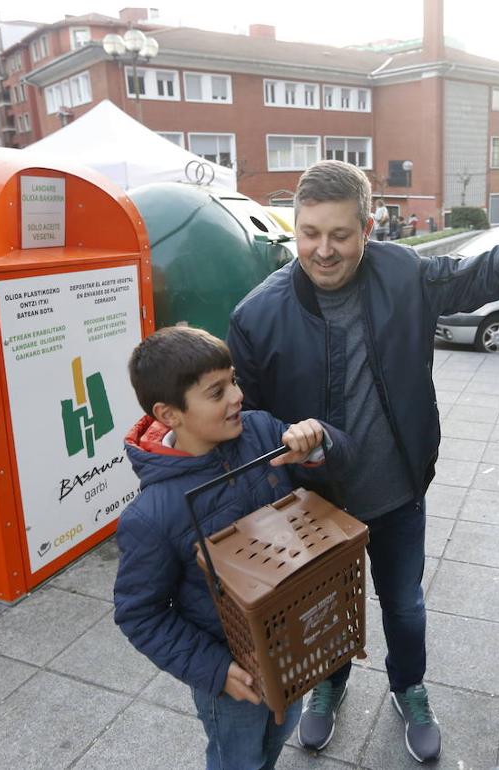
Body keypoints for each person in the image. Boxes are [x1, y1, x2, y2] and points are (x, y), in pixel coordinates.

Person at [227, 160, 499, 763]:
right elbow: (250, 423)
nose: (322, 250)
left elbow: (491, 272)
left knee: (404, 604)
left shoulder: (403, 275)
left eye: (339, 235)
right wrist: (287, 447)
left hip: (397, 491)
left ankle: (408, 686)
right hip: (315, 505)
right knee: (323, 610)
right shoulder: (256, 316)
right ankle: (330, 682)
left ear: (368, 229)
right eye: (309, 233)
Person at [113, 326, 352, 770]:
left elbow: (335, 463)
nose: (237, 396)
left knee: (281, 727)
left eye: (235, 381)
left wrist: (316, 446)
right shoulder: (153, 515)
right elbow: (139, 613)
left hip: (288, 639)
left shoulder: (261, 432)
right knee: (237, 755)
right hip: (231, 668)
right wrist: (215, 670)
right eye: (216, 391)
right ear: (170, 414)